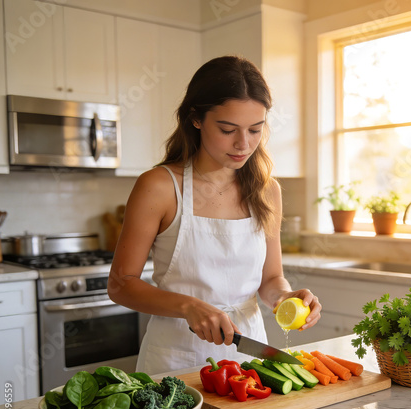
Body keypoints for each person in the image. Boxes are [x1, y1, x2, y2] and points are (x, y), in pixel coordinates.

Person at [108, 55, 322, 374]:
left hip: (249, 357)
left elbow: (270, 280)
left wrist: (286, 298)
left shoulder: (267, 190)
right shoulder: (160, 187)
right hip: (175, 359)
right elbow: (121, 284)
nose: (243, 144)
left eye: (255, 130)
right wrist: (188, 305)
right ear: (196, 118)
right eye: (227, 129)